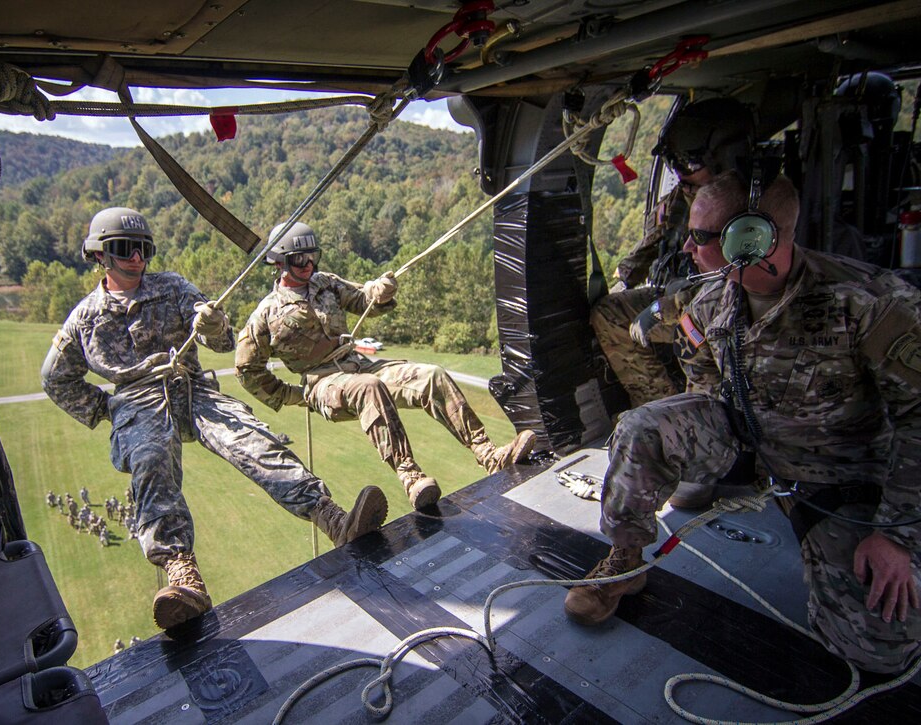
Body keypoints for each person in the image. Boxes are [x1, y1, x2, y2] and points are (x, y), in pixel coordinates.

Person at [564, 172, 921, 674]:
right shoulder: (712, 299)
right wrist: (692, 444)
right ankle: (627, 557)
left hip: (841, 473)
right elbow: (703, 381)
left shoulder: (869, 303)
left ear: (750, 240)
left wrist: (896, 536)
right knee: (641, 428)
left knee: (880, 648)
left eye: (702, 236)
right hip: (749, 445)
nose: (688, 247)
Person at [42, 207, 389, 630]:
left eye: (142, 248)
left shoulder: (172, 288)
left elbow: (224, 341)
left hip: (193, 388)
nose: (136, 257)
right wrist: (105, 411)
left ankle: (334, 519)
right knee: (151, 458)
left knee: (254, 441)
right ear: (100, 255)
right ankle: (182, 575)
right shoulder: (85, 318)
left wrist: (211, 324)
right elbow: (55, 377)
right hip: (138, 399)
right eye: (124, 249)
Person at [235, 222, 537, 510]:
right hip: (323, 384)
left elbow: (364, 299)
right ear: (280, 263)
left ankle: (488, 455)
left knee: (432, 376)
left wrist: (381, 292)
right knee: (369, 387)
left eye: (313, 256)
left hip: (359, 366)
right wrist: (290, 395)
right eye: (300, 258)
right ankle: (410, 476)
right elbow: (247, 369)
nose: (309, 264)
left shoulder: (326, 284)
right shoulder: (266, 315)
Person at [590, 98, 756, 409]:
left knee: (698, 337)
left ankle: (696, 415)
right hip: (677, 297)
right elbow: (654, 240)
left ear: (726, 159)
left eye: (688, 164)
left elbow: (735, 289)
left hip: (724, 313)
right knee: (608, 314)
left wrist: (660, 309)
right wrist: (625, 278)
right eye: (674, 164)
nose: (680, 174)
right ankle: (660, 408)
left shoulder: (748, 209)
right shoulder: (683, 196)